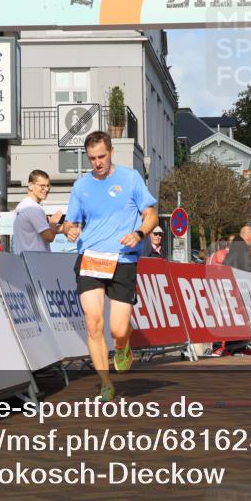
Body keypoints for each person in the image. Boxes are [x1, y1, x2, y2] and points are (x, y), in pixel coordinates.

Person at [64, 131, 158, 402]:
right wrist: (69, 230)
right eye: (92, 158)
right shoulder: (81, 186)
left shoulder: (130, 178)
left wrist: (139, 233)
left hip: (123, 259)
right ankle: (106, 384)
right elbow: (71, 222)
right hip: (90, 258)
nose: (97, 163)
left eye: (102, 156)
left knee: (117, 329)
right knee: (93, 324)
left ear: (111, 151)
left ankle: (123, 343)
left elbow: (150, 213)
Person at [12, 170, 65, 254]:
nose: (46, 189)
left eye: (48, 186)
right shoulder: (34, 208)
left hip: (25, 259)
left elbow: (41, 231)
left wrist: (67, 227)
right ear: (30, 186)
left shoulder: (21, 206)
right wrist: (53, 222)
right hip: (36, 262)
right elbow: (49, 237)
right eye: (42, 186)